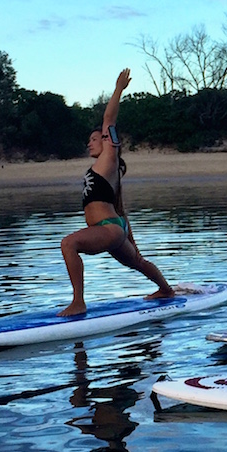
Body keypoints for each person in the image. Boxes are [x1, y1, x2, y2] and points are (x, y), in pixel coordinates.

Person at [60, 68, 175, 317]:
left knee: (69, 244)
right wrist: (131, 240)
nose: (90, 143)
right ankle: (166, 290)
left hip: (108, 229)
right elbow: (120, 211)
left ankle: (78, 302)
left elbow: (109, 120)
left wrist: (118, 90)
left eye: (94, 139)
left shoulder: (109, 157)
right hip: (115, 228)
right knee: (138, 262)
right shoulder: (104, 171)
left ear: (106, 141)